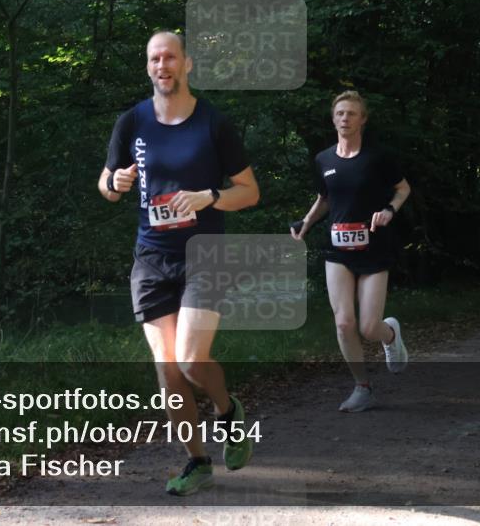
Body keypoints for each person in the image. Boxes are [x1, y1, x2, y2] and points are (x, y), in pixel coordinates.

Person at [97, 30, 260, 496]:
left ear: (187, 64)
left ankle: (228, 412)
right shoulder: (132, 122)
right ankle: (197, 462)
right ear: (148, 67)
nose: (162, 65)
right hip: (151, 257)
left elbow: (250, 192)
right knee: (167, 369)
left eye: (170, 57)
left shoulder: (213, 124)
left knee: (190, 359)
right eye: (154, 59)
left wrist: (210, 197)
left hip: (204, 255)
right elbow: (106, 184)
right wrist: (117, 183)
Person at [291, 90, 410, 412]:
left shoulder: (378, 157)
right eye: (340, 113)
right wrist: (306, 221)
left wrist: (389, 210)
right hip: (338, 248)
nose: (345, 119)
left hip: (373, 246)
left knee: (368, 327)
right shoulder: (323, 160)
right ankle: (363, 387)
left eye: (352, 114)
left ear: (363, 120)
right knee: (343, 323)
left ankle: (389, 335)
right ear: (333, 119)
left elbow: (403, 189)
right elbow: (325, 198)